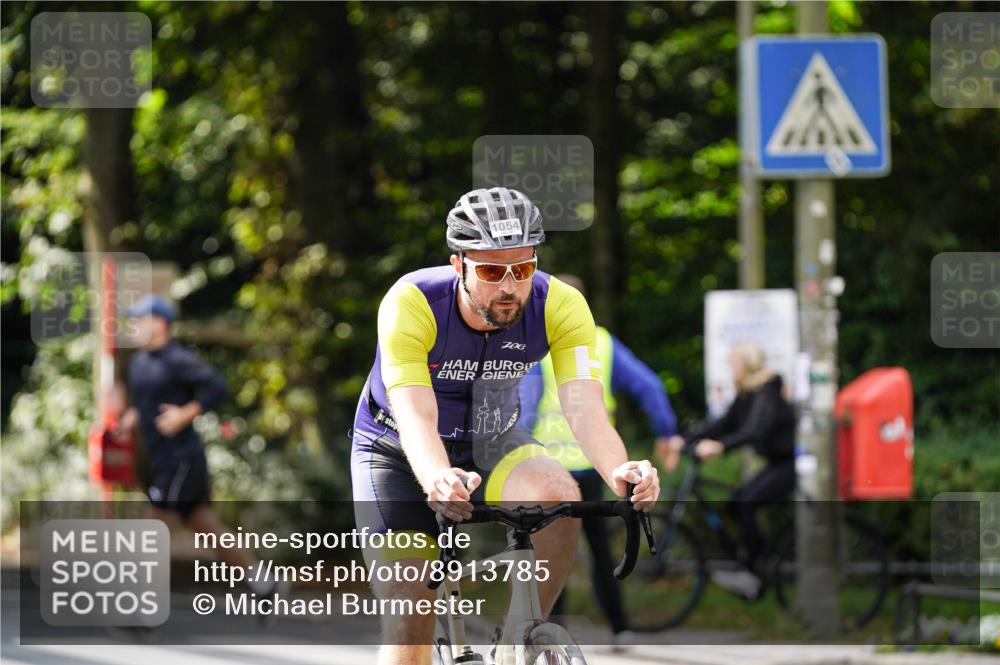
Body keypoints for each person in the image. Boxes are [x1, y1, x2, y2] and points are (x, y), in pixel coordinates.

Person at [350, 186, 660, 665]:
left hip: (492, 440)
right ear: (460, 265)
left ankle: (520, 639)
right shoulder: (412, 302)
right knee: (409, 623)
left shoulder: (560, 304)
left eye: (524, 267)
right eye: (493, 270)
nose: (511, 286)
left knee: (560, 494)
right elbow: (414, 412)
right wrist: (436, 478)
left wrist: (620, 471)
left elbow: (584, 407)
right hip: (395, 448)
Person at [518, 273, 677, 646]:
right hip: (595, 466)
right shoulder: (603, 342)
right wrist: (668, 432)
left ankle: (552, 634)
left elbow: (524, 409)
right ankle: (620, 628)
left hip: (548, 467)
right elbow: (650, 386)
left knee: (549, 556)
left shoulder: (534, 345)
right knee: (602, 553)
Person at [117, 294, 281, 600]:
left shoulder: (177, 358)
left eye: (140, 319)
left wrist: (184, 414)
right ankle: (264, 583)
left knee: (155, 523)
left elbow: (217, 387)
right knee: (206, 526)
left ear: (160, 323)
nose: (135, 325)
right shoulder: (139, 363)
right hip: (163, 459)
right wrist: (130, 419)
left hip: (182, 458)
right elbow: (145, 404)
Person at [660, 342, 797, 599]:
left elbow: (757, 428)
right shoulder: (747, 392)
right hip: (776, 462)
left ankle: (755, 572)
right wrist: (685, 439)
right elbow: (723, 424)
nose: (731, 368)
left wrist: (720, 447)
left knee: (746, 502)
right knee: (737, 503)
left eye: (734, 362)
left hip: (790, 463)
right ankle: (757, 561)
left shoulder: (768, 387)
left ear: (746, 364)